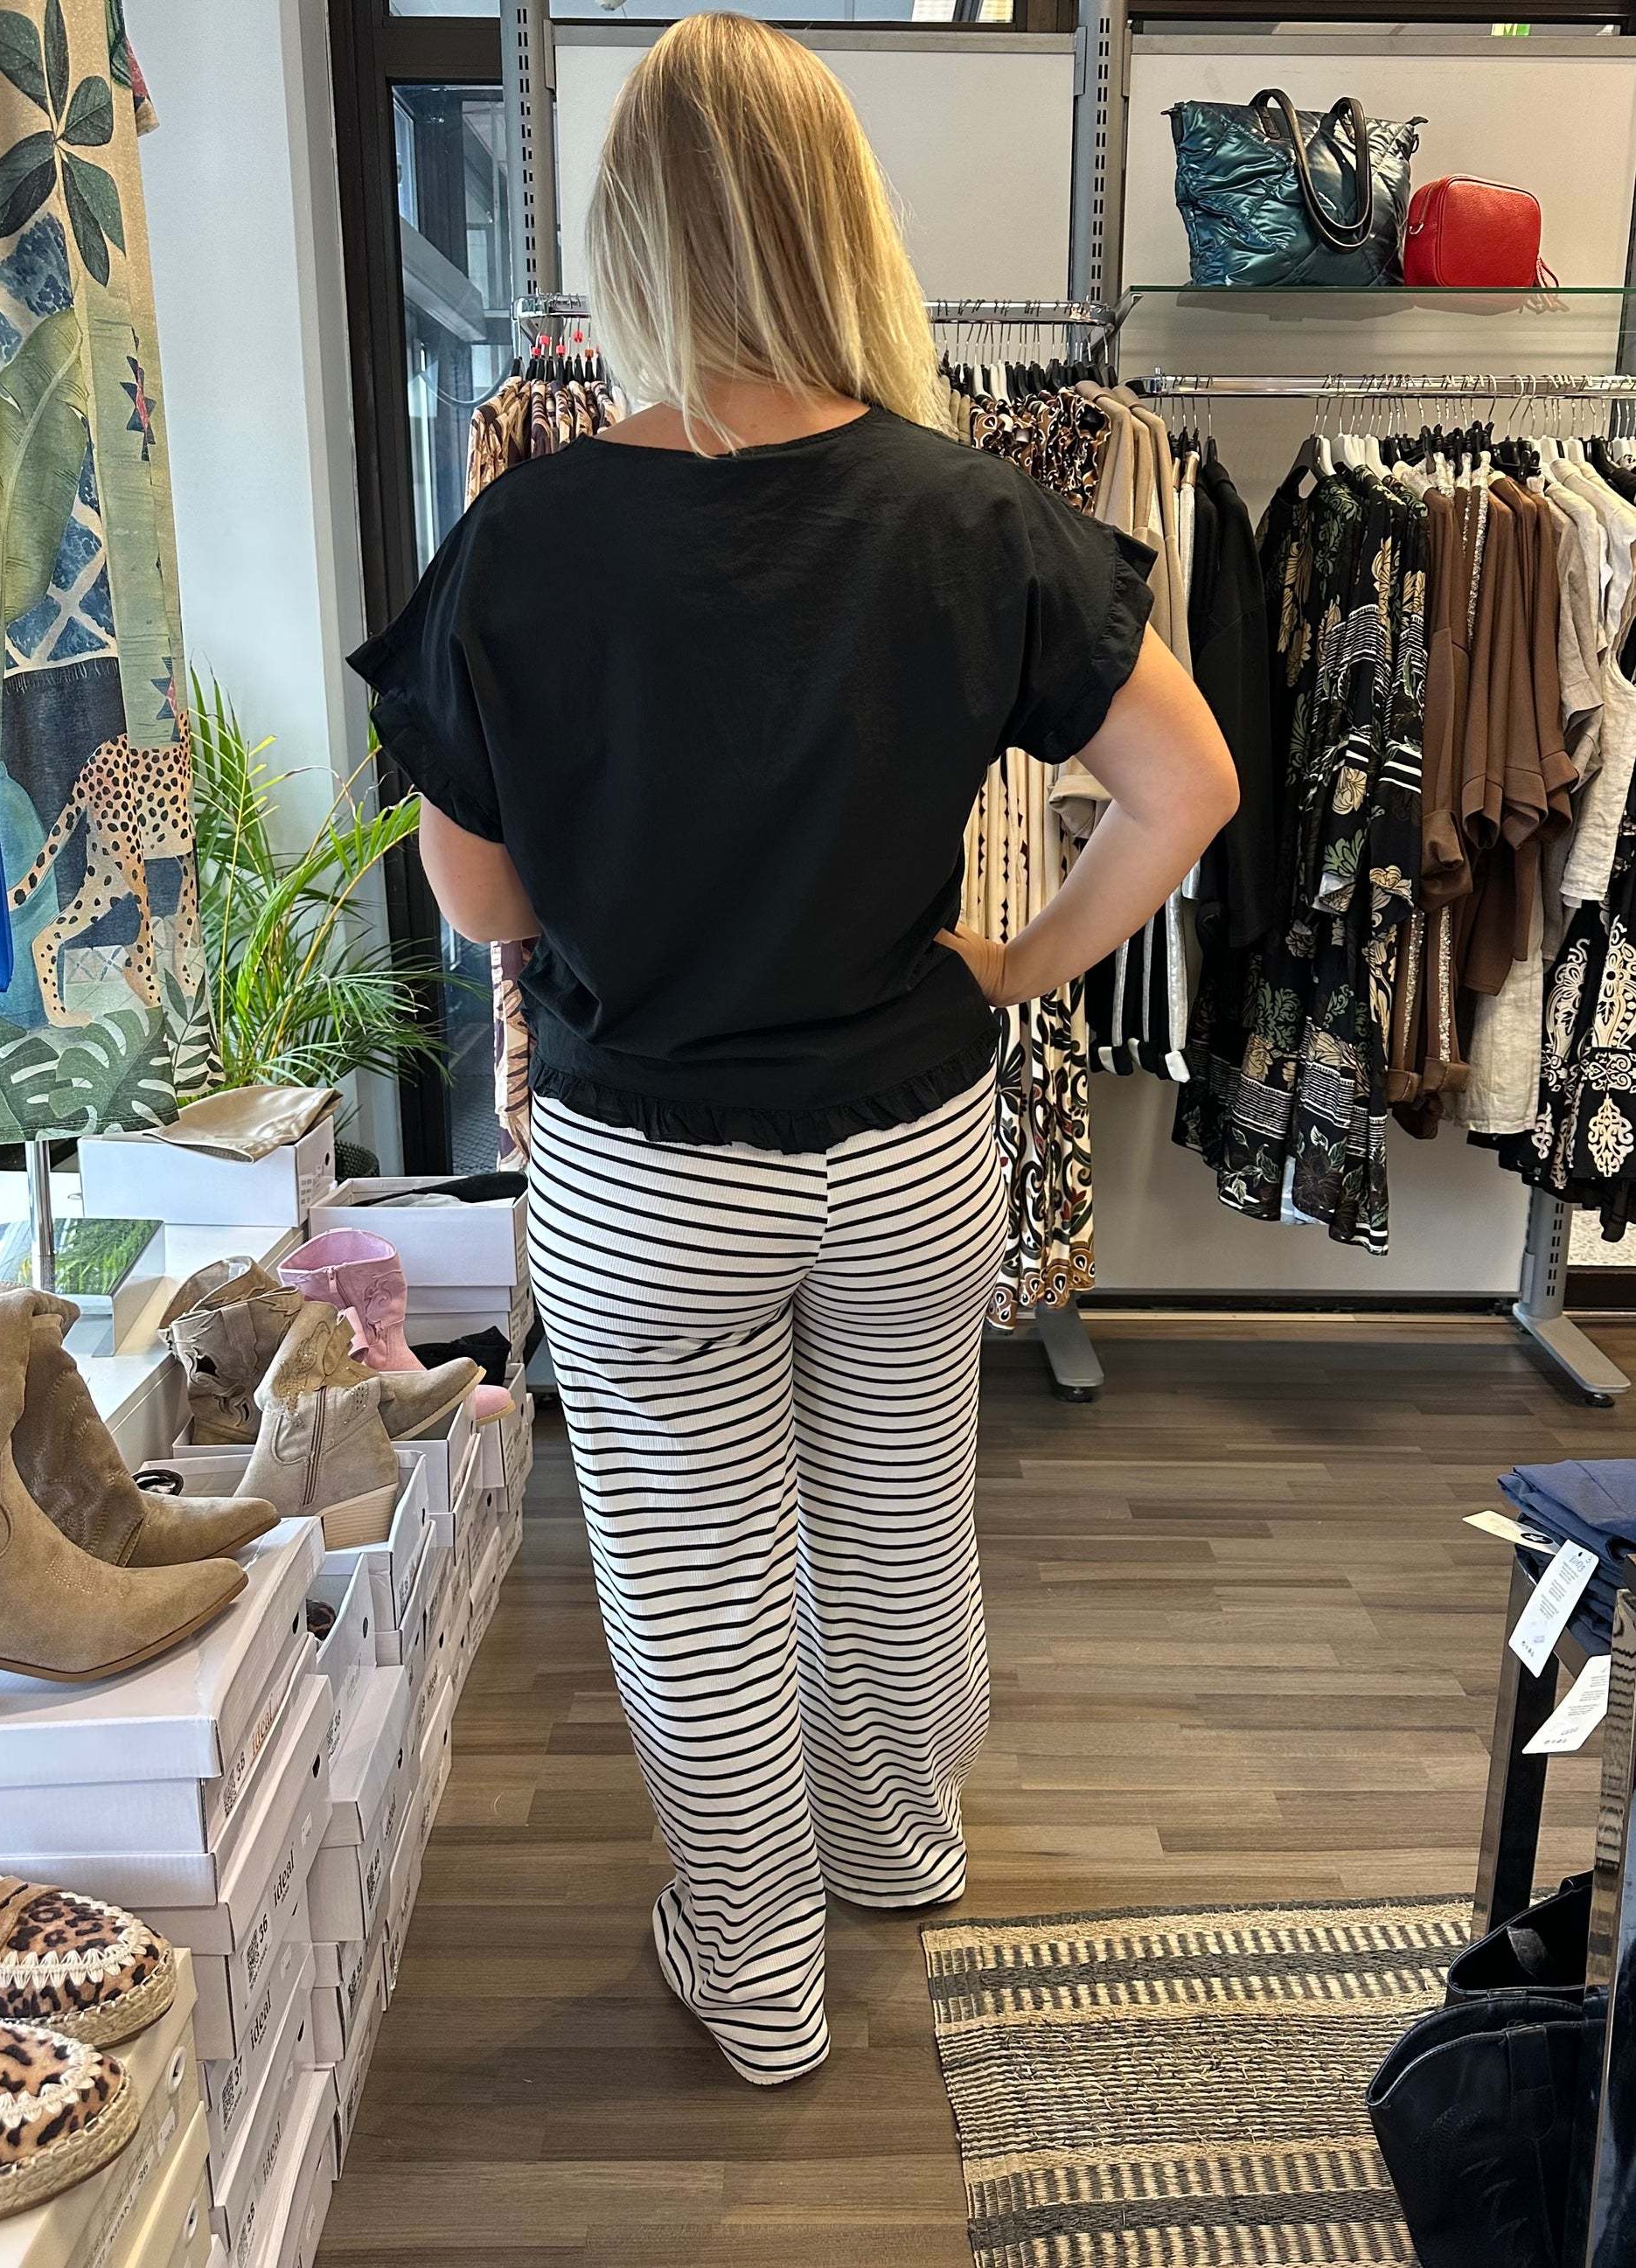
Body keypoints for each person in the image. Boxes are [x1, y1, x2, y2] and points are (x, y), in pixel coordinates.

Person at [350, 12, 1236, 2088]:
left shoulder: (523, 543)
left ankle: (756, 1986)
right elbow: (1185, 788)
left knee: (701, 1593)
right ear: (841, 221)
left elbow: (480, 905)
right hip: (910, 1139)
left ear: (629, 234)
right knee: (903, 1525)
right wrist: (1014, 963)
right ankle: (902, 1852)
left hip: (649, 1162)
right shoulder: (967, 512)